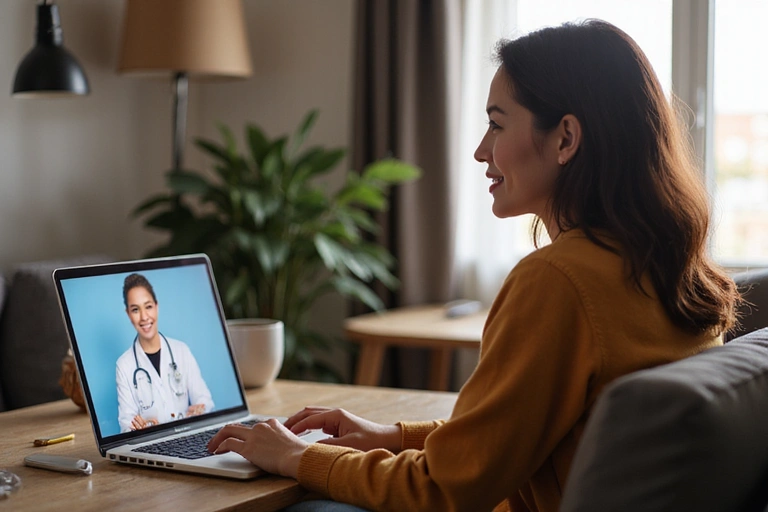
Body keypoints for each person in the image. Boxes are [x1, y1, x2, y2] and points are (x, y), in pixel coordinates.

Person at [207, 19, 741, 511]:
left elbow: (444, 490)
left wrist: (296, 457)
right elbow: (529, 435)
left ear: (566, 138)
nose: (481, 151)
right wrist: (393, 436)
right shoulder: (664, 266)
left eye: (497, 125)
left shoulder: (559, 282)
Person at [116, 273, 214, 433]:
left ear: (156, 306)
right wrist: (146, 428)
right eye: (135, 310)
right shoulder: (124, 365)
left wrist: (198, 411)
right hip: (153, 444)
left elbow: (205, 400)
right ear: (128, 314)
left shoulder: (181, 350)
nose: (144, 317)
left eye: (148, 307)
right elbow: (127, 426)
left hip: (187, 435)